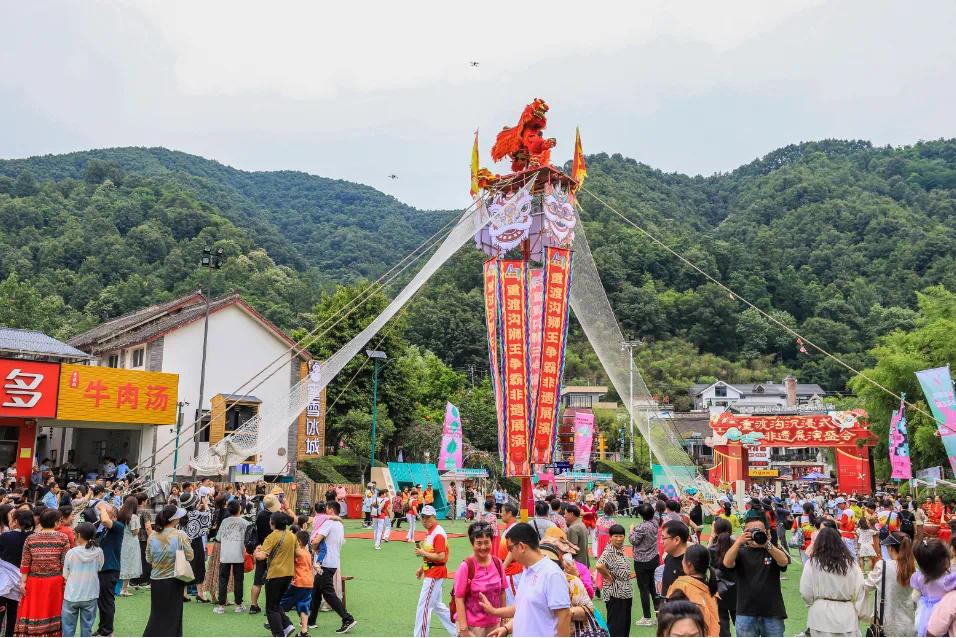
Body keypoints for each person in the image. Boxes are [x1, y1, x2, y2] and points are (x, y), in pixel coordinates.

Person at [480, 522, 571, 637]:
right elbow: (522, 607)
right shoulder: (527, 571)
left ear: (522, 547)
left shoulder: (552, 574)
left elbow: (564, 616)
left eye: (510, 549)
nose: (509, 554)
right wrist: (496, 614)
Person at [722, 510, 790, 637]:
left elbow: (784, 562)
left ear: (766, 532)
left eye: (759, 530)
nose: (755, 533)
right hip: (745, 613)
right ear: (745, 533)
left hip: (773, 612)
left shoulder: (772, 550)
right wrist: (738, 542)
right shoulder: (740, 552)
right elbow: (727, 563)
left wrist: (767, 544)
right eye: (751, 531)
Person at [798, 526, 866, 637]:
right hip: (846, 617)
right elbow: (860, 591)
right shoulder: (851, 564)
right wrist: (859, 612)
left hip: (820, 617)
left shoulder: (812, 563)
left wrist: (813, 604)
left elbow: (805, 592)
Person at [15, 508, 69, 636]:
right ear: (56, 522)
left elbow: (25, 562)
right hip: (55, 582)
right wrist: (66, 581)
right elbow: (65, 563)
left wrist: (23, 582)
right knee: (52, 611)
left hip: (34, 582)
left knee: (34, 611)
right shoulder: (63, 538)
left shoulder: (31, 538)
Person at [143, 504, 192, 636]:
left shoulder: (152, 536)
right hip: (174, 579)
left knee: (157, 613)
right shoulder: (180, 535)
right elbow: (190, 556)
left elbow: (148, 558)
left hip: (156, 579)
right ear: (174, 519)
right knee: (174, 614)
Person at [308, 501, 356, 634]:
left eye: (327, 508)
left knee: (328, 594)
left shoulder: (328, 523)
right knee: (316, 592)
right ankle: (311, 620)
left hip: (324, 564)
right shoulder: (339, 524)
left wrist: (313, 549)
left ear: (330, 510)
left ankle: (347, 619)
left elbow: (316, 541)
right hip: (333, 562)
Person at [453, 521, 506, 637]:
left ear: (492, 541)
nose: (483, 547)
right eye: (479, 543)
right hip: (472, 626)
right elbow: (459, 598)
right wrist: (463, 629)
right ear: (472, 543)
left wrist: (503, 620)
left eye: (487, 542)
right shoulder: (466, 566)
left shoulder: (497, 563)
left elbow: (502, 592)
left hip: (494, 624)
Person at [412, 505, 456, 636]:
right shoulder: (431, 532)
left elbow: (441, 556)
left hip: (435, 573)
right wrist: (421, 568)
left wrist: (422, 553)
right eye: (423, 517)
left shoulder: (438, 533)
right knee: (437, 606)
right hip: (432, 571)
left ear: (434, 517)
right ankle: (458, 630)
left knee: (424, 606)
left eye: (428, 517)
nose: (425, 520)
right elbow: (432, 554)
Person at [864, 531, 916, 637]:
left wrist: (872, 569)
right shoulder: (912, 569)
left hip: (886, 624)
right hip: (908, 623)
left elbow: (867, 586)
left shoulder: (882, 565)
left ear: (891, 548)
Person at [254, 511, 297, 637]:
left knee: (271, 608)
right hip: (288, 573)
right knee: (276, 603)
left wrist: (256, 552)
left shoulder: (271, 537)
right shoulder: (291, 536)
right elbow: (297, 552)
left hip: (275, 575)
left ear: (272, 523)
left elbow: (261, 556)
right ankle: (287, 625)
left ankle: (279, 634)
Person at [667, 544, 719, 637]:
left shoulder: (681, 585)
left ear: (689, 564)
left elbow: (670, 615)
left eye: (683, 559)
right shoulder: (710, 587)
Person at [62, 522, 104, 637]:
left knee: (68, 629)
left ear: (79, 535)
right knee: (87, 628)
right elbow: (99, 568)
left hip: (71, 595)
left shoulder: (71, 552)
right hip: (91, 594)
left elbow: (65, 574)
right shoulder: (98, 551)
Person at [912, 537, 956, 636]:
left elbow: (914, 597)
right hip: (942, 614)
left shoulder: (919, 578)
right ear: (946, 560)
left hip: (924, 613)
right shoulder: (949, 580)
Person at [597, 523, 634, 636]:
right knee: (616, 626)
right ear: (610, 537)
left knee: (625, 624)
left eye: (621, 536)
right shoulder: (609, 551)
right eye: (616, 536)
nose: (619, 539)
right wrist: (608, 576)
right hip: (615, 594)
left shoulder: (620, 549)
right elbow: (599, 565)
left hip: (626, 592)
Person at [0, 508, 33, 635]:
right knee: (14, 613)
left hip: (4, 579)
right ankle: (10, 634)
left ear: (15, 521)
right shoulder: (31, 537)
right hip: (22, 579)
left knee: (1, 610)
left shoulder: (5, 537)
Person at [214, 498, 250, 613]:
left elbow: (218, 538)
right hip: (239, 554)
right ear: (239, 508)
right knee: (238, 580)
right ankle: (238, 605)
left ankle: (221, 606)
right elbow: (248, 540)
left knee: (223, 579)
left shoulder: (225, 522)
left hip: (225, 554)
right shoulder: (245, 522)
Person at [94, 501, 124, 637]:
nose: (103, 513)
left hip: (110, 569)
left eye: (107, 511)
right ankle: (103, 629)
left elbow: (105, 520)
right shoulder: (105, 530)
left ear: (114, 516)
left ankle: (107, 631)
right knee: (102, 601)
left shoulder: (118, 526)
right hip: (103, 569)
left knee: (107, 601)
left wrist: (101, 506)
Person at [250, 493, 282, 614]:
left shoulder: (260, 515)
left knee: (258, 580)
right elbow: (292, 520)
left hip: (262, 548)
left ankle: (253, 605)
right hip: (275, 550)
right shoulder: (277, 516)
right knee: (274, 580)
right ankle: (272, 606)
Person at [278, 530, 314, 638]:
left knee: (279, 603)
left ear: (298, 541)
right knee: (303, 605)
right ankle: (304, 631)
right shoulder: (307, 553)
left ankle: (282, 624)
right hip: (309, 583)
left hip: (298, 582)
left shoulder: (297, 553)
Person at [630, 503, 660, 627]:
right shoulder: (655, 522)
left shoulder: (642, 527)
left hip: (641, 561)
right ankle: (659, 616)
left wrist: (631, 531)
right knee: (654, 588)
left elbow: (634, 541)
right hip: (654, 558)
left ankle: (647, 617)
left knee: (644, 589)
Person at [708, 517, 736, 637]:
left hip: (718, 592)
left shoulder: (711, 549)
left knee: (722, 628)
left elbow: (705, 563)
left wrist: (711, 537)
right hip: (738, 592)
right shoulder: (738, 547)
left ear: (715, 530)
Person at [498, 504, 523, 606]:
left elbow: (513, 550)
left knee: (514, 603)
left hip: (511, 571)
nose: (501, 514)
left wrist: (503, 567)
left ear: (509, 513)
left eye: (502, 511)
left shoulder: (513, 529)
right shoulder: (509, 528)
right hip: (508, 570)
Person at [117, 495, 142, 597]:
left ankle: (119, 587)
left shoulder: (120, 514)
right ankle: (124, 589)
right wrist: (138, 527)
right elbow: (135, 532)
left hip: (122, 540)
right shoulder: (134, 517)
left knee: (122, 562)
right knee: (129, 564)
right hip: (131, 542)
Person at [660, 520, 690, 602]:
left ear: (676, 540)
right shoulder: (669, 556)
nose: (661, 541)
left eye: (663, 538)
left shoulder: (689, 565)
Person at [563, 504, 589, 568]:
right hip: (584, 561)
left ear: (571, 514)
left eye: (566, 513)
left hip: (577, 564)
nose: (564, 516)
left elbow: (574, 550)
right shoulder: (581, 524)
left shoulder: (573, 528)